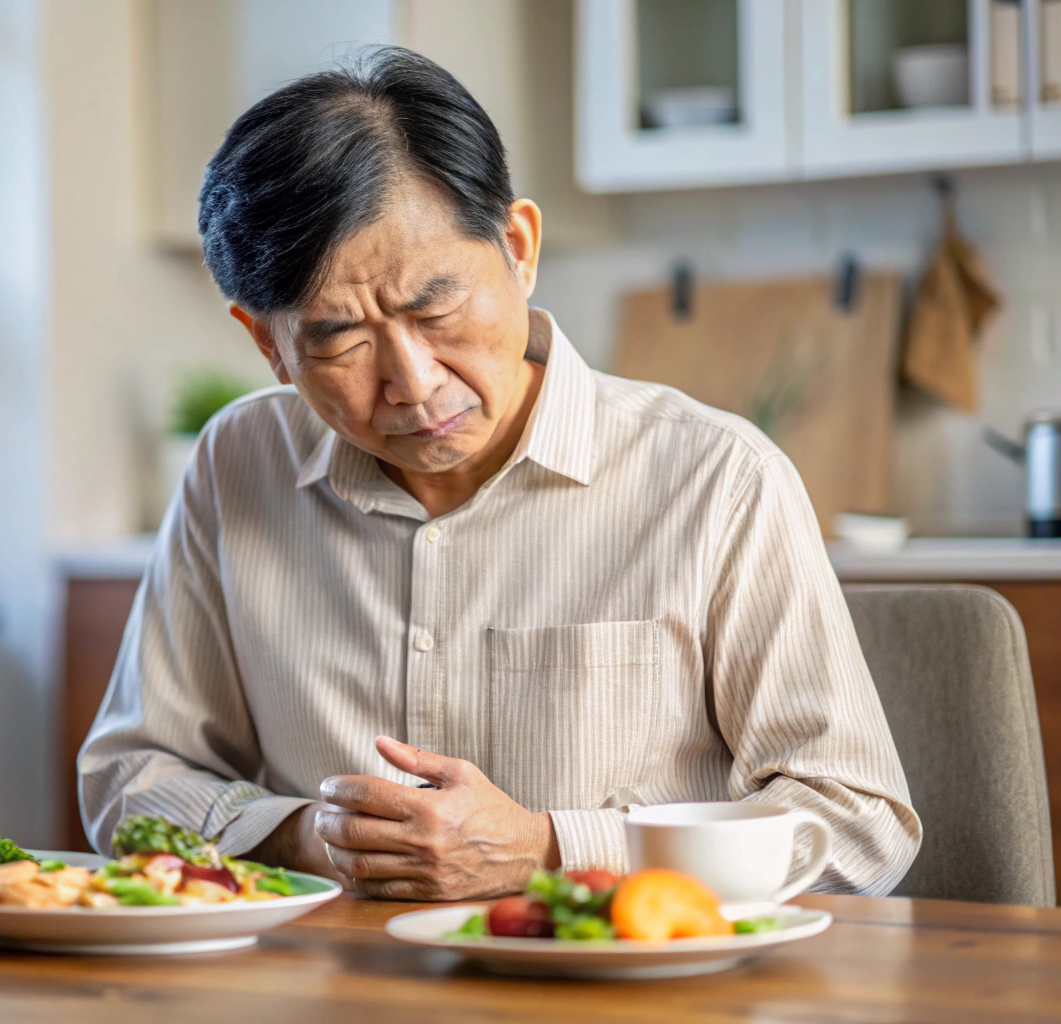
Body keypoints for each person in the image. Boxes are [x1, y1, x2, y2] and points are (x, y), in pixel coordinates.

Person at [77, 47, 920, 901]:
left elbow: (859, 824)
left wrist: (552, 851)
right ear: (269, 345)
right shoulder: (237, 464)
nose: (411, 381)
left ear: (519, 247)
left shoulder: (716, 479)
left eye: (434, 309)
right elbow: (132, 775)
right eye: (340, 338)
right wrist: (314, 836)